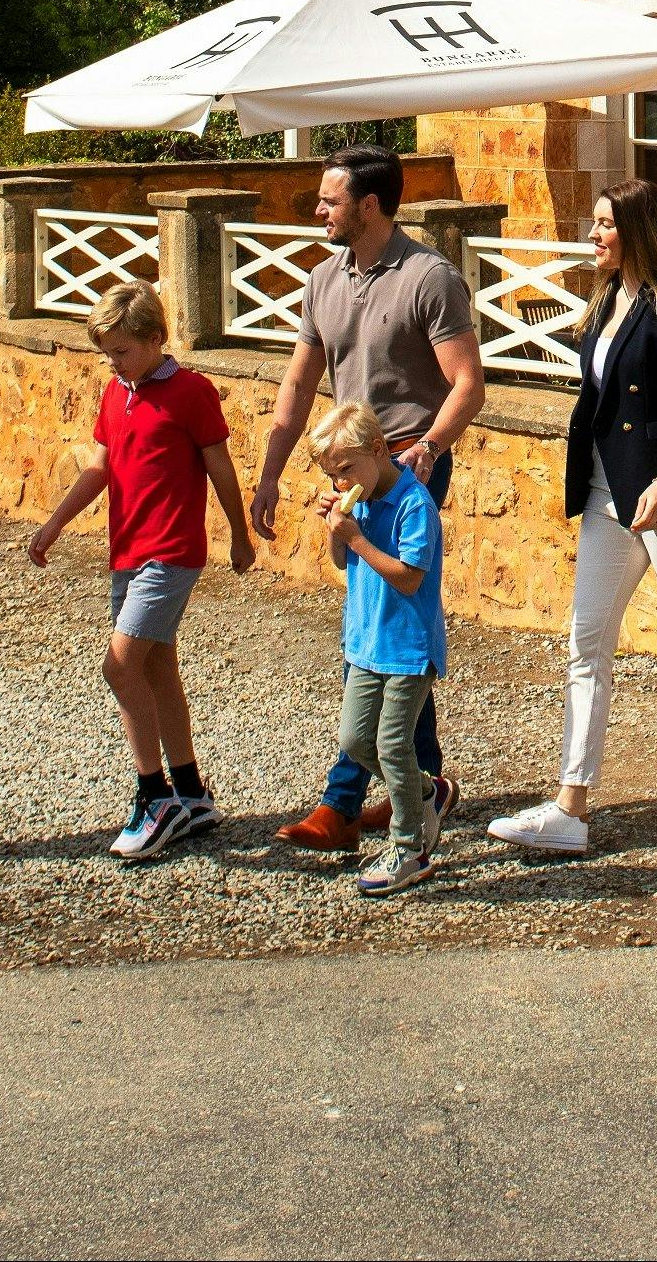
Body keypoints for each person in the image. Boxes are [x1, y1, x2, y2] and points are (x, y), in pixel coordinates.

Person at [488, 178, 657, 856]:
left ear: (637, 228)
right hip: (608, 493)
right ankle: (570, 806)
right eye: (594, 224)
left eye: (605, 224)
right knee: (587, 642)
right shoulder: (607, 298)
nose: (594, 235)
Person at [247, 144, 485, 852]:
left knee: (383, 624)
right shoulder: (322, 279)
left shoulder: (429, 278)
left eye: (329, 199)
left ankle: (343, 798)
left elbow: (468, 384)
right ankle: (423, 780)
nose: (317, 209)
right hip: (348, 472)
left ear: (371, 204)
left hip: (408, 473)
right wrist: (269, 471)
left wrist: (428, 449)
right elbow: (297, 383)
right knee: (382, 628)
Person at [24, 282, 255, 861]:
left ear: (155, 339)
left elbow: (219, 466)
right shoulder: (115, 392)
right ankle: (190, 789)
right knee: (156, 668)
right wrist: (54, 524)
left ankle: (153, 796)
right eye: (107, 353)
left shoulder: (190, 391)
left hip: (171, 551)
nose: (114, 363)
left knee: (119, 666)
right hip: (127, 550)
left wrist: (239, 535)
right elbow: (100, 467)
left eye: (123, 351)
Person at [307, 397, 447, 896]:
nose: (340, 483)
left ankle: (409, 848)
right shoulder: (357, 500)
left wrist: (359, 537)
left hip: (408, 648)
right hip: (365, 643)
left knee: (392, 744)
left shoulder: (414, 504)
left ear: (378, 449)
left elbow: (409, 578)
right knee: (355, 742)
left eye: (346, 469)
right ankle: (426, 793)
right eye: (332, 475)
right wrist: (336, 532)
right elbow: (344, 563)